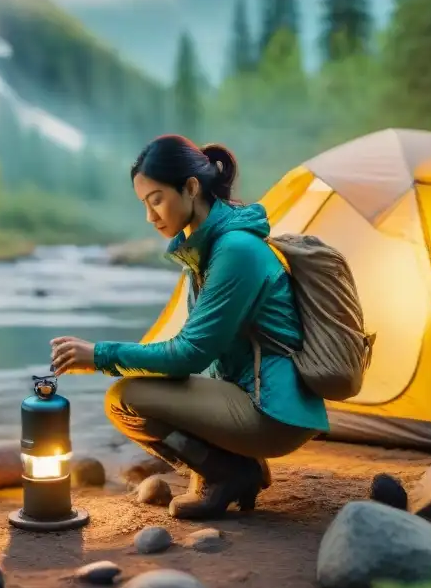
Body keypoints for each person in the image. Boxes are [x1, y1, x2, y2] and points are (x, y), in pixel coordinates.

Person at [50, 134, 329, 520]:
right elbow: (204, 353)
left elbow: (190, 354)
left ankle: (227, 474)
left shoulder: (235, 251)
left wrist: (99, 355)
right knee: (145, 388)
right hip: (257, 397)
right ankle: (236, 465)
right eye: (144, 204)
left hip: (272, 410)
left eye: (156, 199)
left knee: (125, 399)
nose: (150, 216)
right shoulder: (210, 249)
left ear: (191, 188)